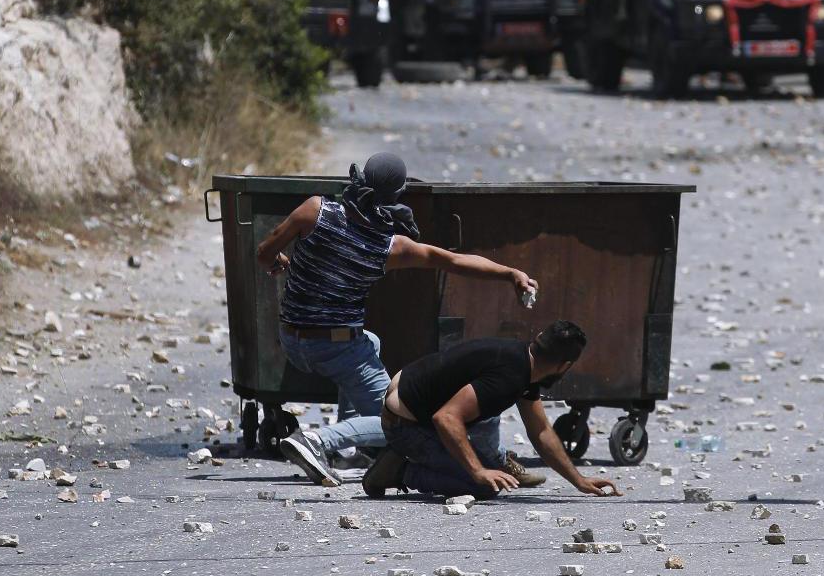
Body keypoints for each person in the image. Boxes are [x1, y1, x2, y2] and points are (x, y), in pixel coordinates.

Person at [255, 152, 538, 487]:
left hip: (292, 338)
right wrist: (510, 273)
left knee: (370, 342)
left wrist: (278, 261)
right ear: (397, 195)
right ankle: (318, 441)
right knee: (398, 420)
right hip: (335, 347)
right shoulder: (391, 247)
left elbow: (263, 252)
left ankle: (350, 450)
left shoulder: (315, 210)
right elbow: (452, 260)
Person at [363, 321, 622, 500]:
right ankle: (397, 471)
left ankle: (408, 462)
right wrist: (477, 471)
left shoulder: (524, 363)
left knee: (488, 473)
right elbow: (446, 417)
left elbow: (541, 431)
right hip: (406, 427)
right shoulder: (509, 377)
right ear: (564, 366)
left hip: (409, 409)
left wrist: (579, 481)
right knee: (483, 486)